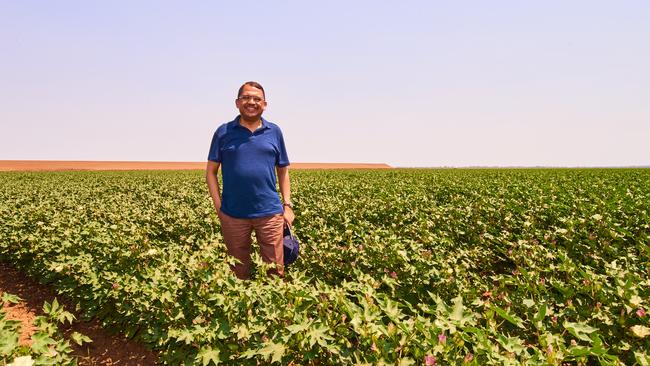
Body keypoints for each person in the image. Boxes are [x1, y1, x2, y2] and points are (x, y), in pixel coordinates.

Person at [206, 81, 295, 279]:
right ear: (237, 103)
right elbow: (210, 172)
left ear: (264, 104)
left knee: (274, 271)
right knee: (238, 271)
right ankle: (243, 309)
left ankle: (272, 308)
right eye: (246, 98)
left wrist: (287, 205)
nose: (251, 102)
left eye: (257, 99)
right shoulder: (224, 132)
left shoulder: (275, 132)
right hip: (233, 214)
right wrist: (219, 207)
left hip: (270, 213)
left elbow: (283, 170)